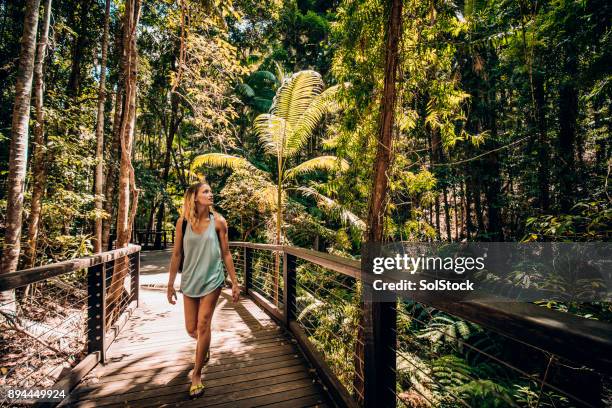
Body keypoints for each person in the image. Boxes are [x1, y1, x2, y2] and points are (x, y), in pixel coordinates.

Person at [166, 182, 240, 399]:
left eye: (210, 191)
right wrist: (170, 284)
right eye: (205, 191)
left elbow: (226, 253)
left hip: (213, 279)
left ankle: (197, 374)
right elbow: (177, 255)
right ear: (195, 197)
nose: (210, 194)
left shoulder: (218, 222)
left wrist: (235, 282)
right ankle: (204, 346)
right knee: (192, 329)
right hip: (190, 280)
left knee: (203, 322)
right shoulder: (182, 223)